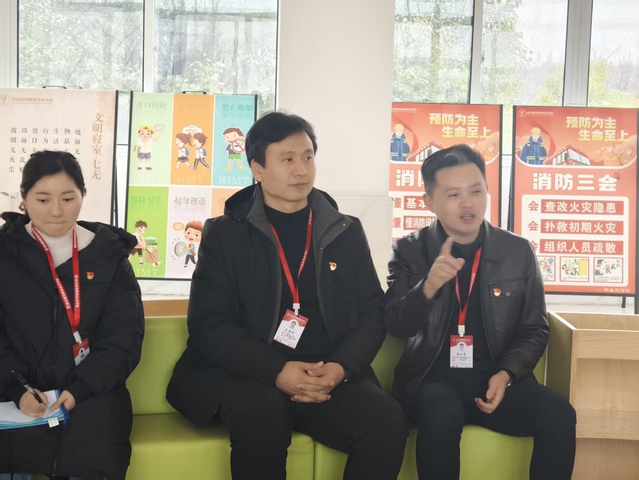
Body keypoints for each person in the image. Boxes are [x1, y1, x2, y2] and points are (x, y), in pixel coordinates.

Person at [166, 112, 407, 480]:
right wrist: (277, 371)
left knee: (386, 419)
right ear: (257, 169)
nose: (301, 170)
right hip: (246, 375)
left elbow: (372, 310)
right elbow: (208, 324)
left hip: (325, 373)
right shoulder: (225, 234)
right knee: (262, 414)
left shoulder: (344, 231)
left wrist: (341, 368)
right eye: (288, 159)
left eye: (308, 157)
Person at [384, 145, 576, 480]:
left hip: (496, 379)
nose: (468, 203)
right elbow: (396, 324)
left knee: (559, 414)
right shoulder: (409, 250)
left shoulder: (517, 251)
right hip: (431, 380)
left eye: (476, 191)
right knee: (441, 411)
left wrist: (507, 373)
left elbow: (534, 328)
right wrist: (429, 286)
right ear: (429, 201)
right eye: (454, 194)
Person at [0, 151, 145, 479]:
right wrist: (17, 387)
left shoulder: (108, 255)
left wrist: (80, 389)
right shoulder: (5, 252)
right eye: (42, 199)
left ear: (82, 195)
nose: (56, 210)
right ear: (23, 198)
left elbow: (124, 338)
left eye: (68, 198)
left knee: (92, 453)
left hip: (92, 395)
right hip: (14, 396)